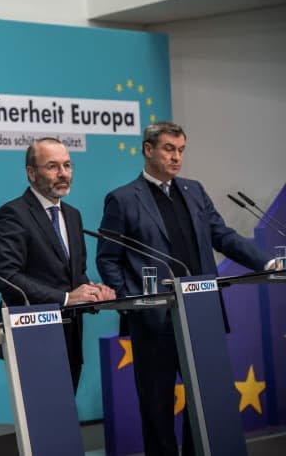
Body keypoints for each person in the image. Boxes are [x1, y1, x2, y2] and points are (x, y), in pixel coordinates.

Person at [96, 121, 271, 456]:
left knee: (203, 404)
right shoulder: (122, 199)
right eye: (169, 149)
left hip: (201, 316)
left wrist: (265, 263)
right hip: (155, 323)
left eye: (181, 150)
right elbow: (108, 260)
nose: (177, 157)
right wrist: (136, 303)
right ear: (148, 150)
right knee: (158, 408)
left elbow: (222, 235)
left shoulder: (194, 191)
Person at [0, 137, 115, 391]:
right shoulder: (13, 214)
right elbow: (7, 277)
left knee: (65, 418)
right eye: (53, 166)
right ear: (31, 173)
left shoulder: (73, 215)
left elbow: (74, 275)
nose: (63, 174)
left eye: (67, 166)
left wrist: (93, 293)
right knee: (41, 423)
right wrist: (67, 298)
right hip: (32, 335)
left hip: (70, 337)